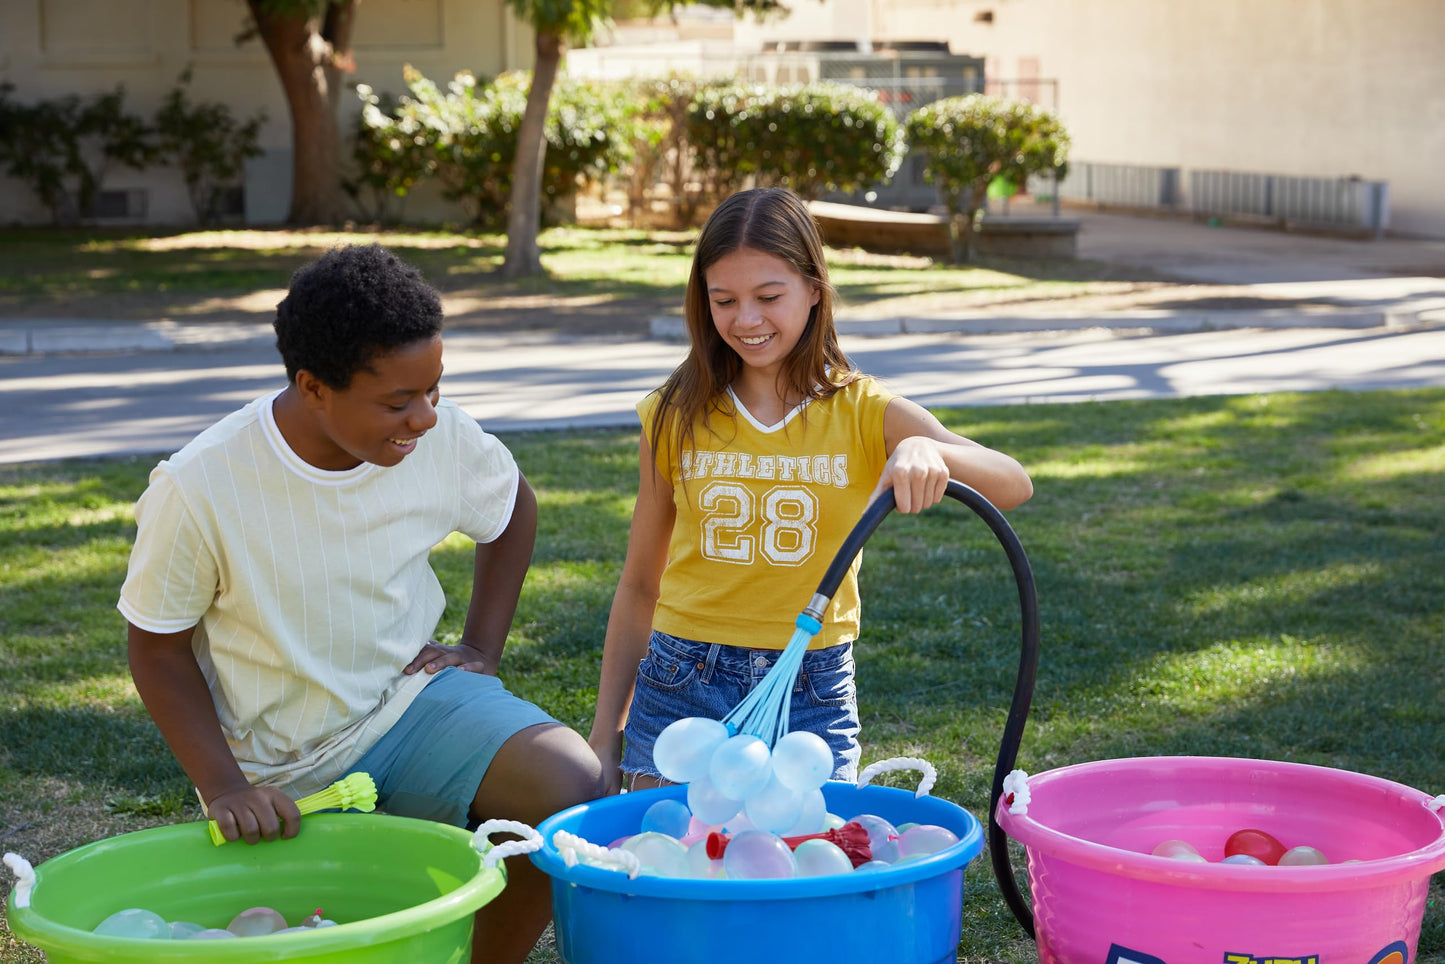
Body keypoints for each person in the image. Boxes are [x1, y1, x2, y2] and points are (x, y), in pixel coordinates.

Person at [119, 244, 603, 964]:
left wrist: (482, 649)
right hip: (280, 763)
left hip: (409, 704)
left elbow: (510, 510)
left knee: (572, 782)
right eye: (398, 401)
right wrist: (223, 786)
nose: (427, 418)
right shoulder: (200, 486)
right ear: (314, 387)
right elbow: (156, 647)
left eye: (434, 389)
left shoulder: (439, 438)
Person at [588, 187, 1033, 795]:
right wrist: (602, 734)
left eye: (769, 297)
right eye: (724, 300)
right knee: (672, 866)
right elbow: (641, 584)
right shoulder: (673, 415)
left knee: (804, 867)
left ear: (814, 288)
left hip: (812, 687)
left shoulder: (862, 410)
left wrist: (928, 449)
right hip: (681, 678)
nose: (746, 320)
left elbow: (1013, 482)